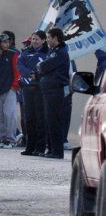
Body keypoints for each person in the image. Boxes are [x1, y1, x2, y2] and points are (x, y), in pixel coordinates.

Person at [37, 28, 69, 159]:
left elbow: (43, 67)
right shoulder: (53, 51)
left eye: (49, 37)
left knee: (54, 121)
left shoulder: (60, 53)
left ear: (56, 38)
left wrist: (41, 66)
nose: (47, 40)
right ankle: (50, 149)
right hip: (48, 90)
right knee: (49, 120)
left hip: (55, 90)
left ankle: (57, 151)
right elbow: (43, 67)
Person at [18, 30, 48, 156]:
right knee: (29, 118)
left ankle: (40, 148)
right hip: (27, 88)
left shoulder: (47, 53)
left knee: (40, 118)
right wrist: (29, 73)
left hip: (40, 89)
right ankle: (29, 147)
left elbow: (47, 67)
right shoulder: (26, 52)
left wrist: (37, 75)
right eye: (33, 39)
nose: (34, 41)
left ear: (43, 40)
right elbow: (19, 65)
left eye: (37, 39)